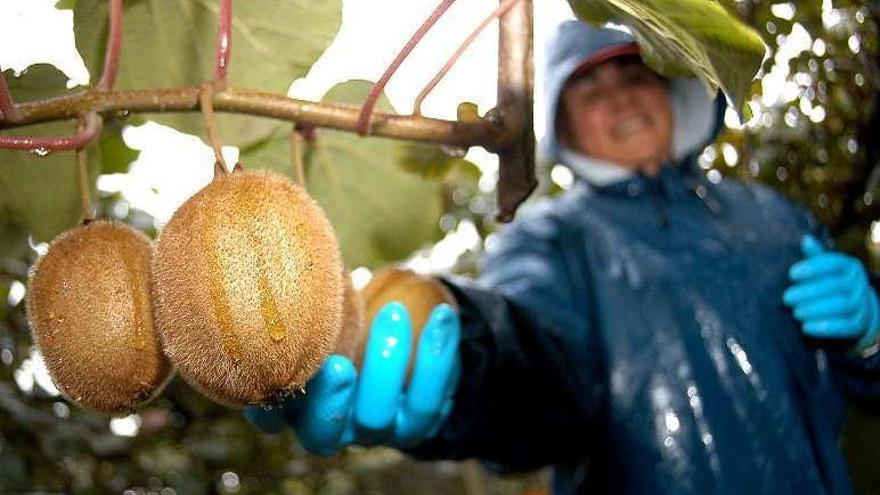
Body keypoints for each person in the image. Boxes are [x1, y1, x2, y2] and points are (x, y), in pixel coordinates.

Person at [246, 20, 880, 494]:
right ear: (563, 124)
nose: (621, 99)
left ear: (667, 89)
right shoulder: (551, 235)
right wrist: (466, 367)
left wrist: (872, 340)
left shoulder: (771, 214)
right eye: (590, 90)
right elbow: (539, 370)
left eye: (633, 75)